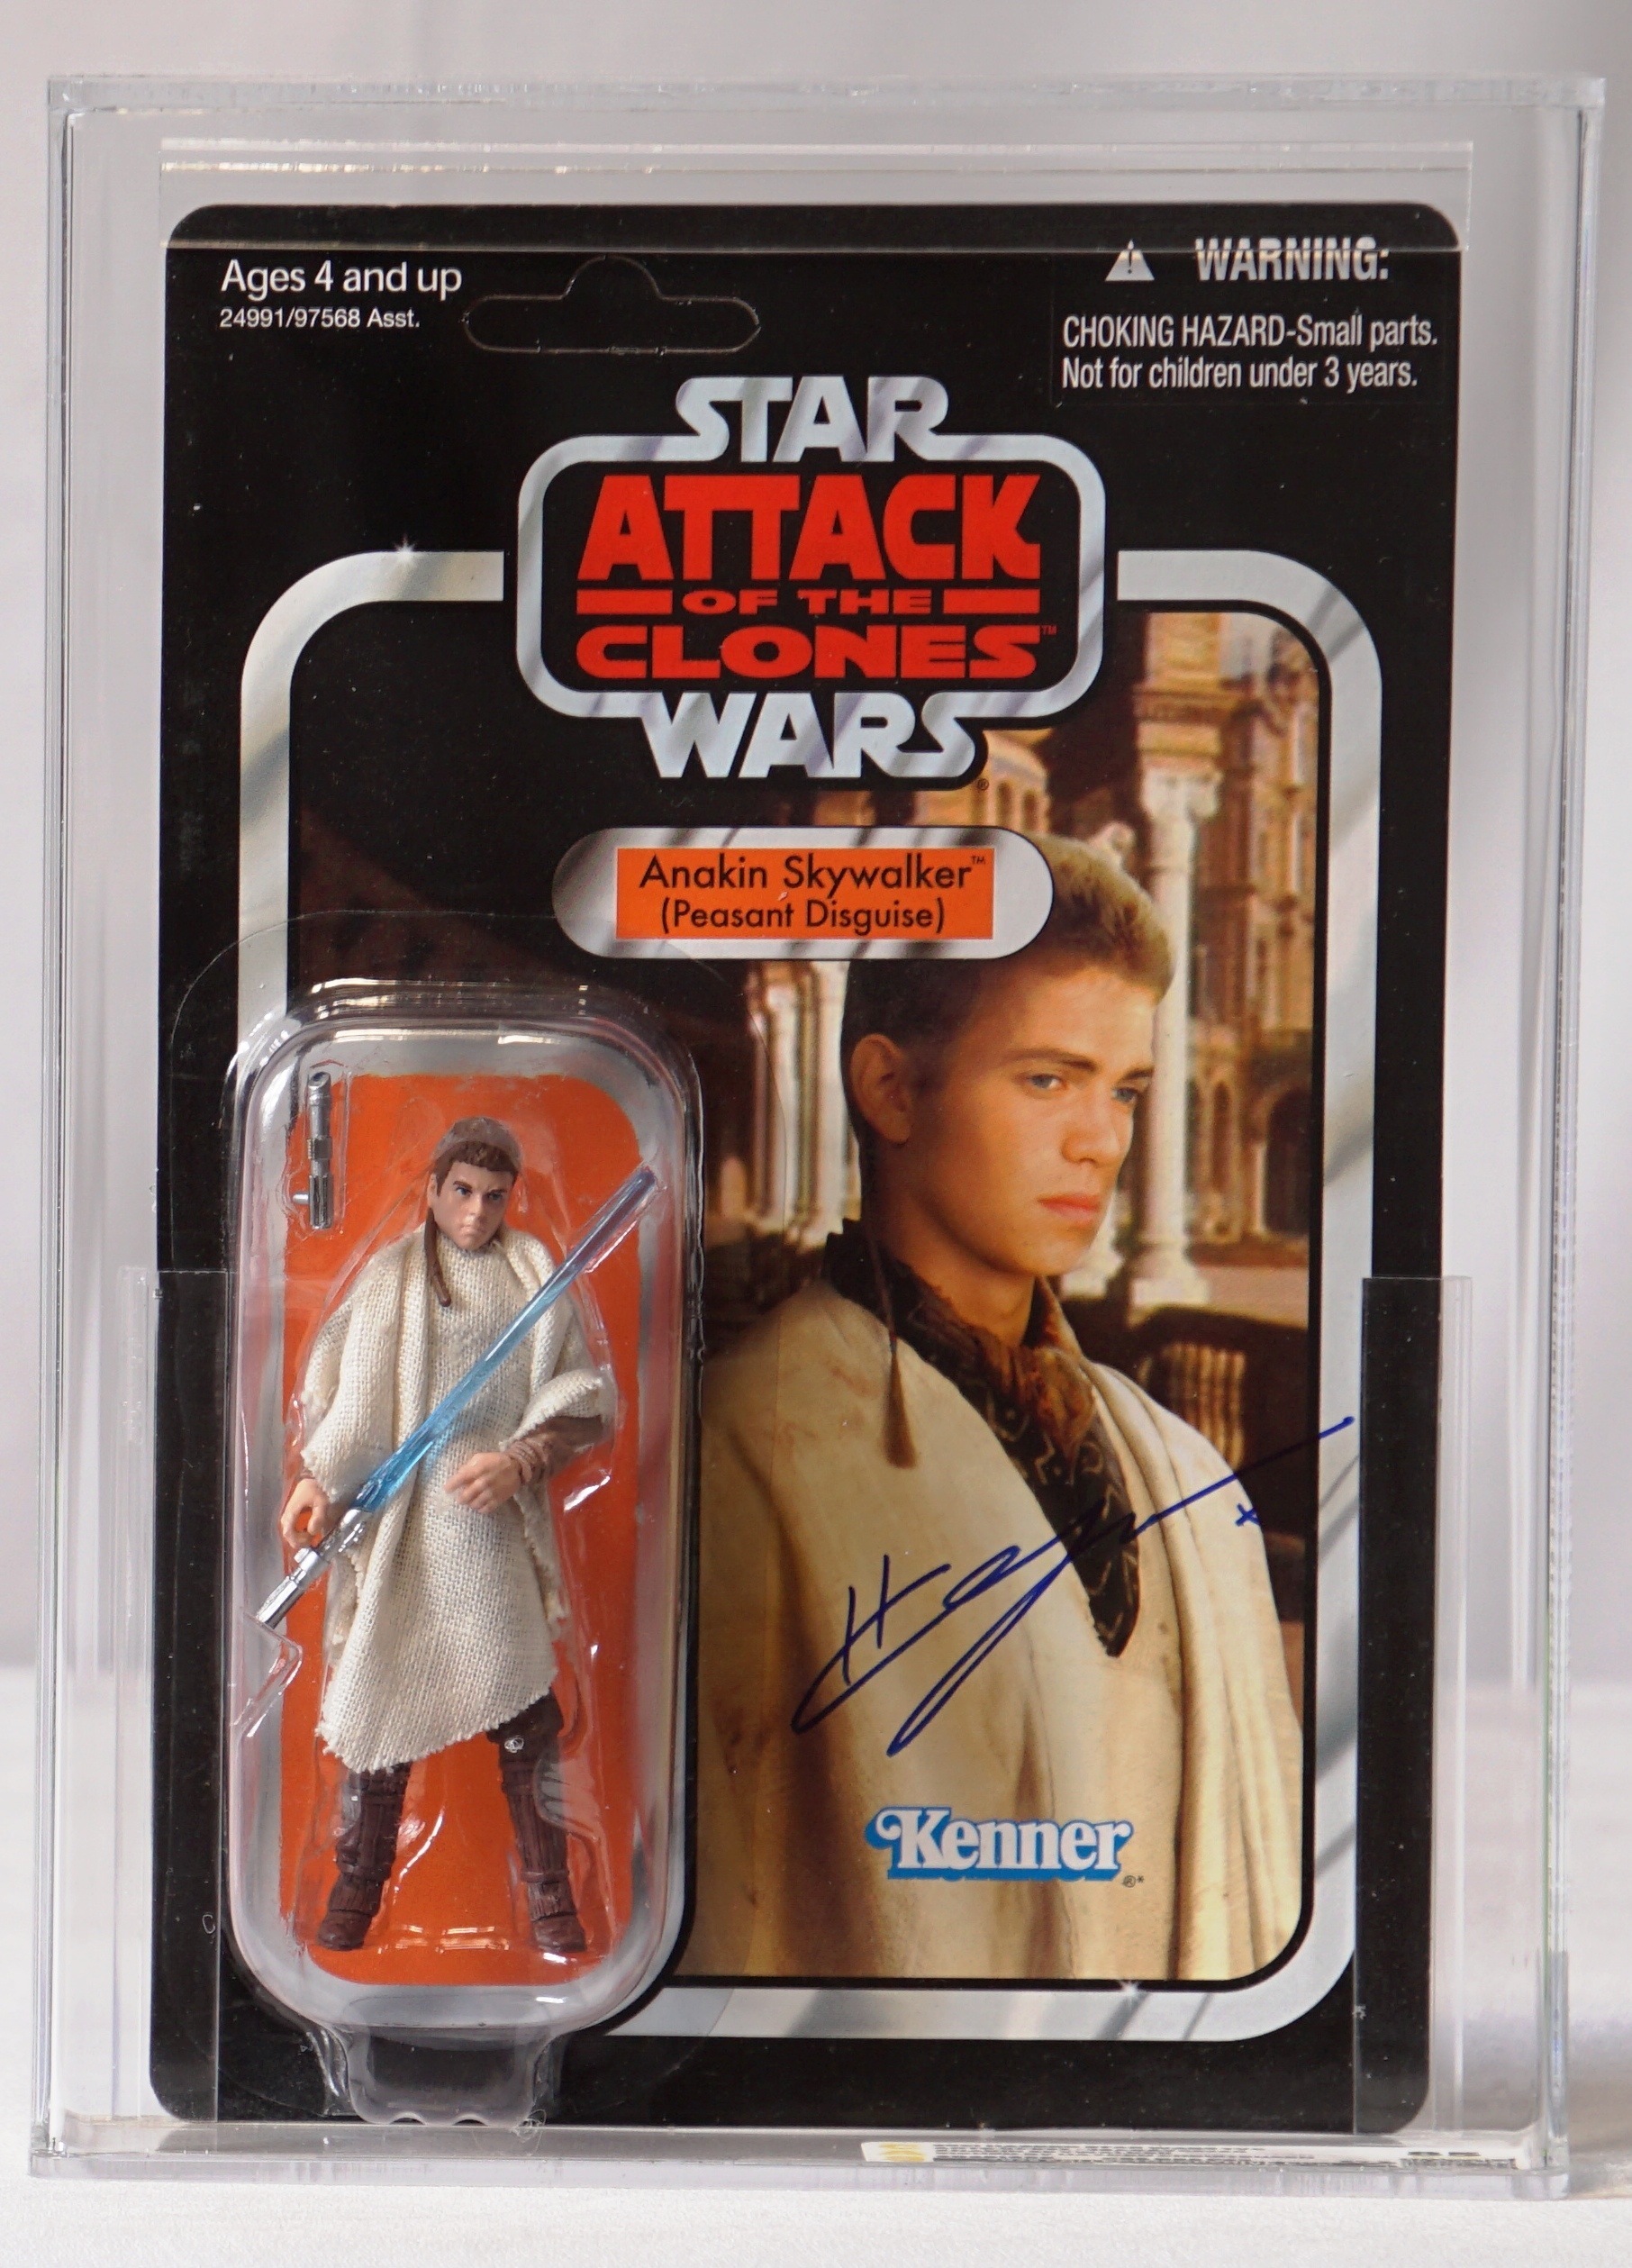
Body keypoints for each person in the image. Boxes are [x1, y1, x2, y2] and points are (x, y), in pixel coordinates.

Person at [685, 839, 1302, 1985]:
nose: (1103, 1140)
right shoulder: (739, 1446)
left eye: (1124, 1091)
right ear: (890, 1089)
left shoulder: (1174, 1459)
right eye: (1047, 1080)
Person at [278, 1117, 610, 1955]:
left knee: (525, 1711)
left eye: (494, 1197)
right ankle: (356, 1887)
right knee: (380, 1697)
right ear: (430, 1189)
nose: (475, 1212)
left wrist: (521, 1461)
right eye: (461, 1191)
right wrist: (318, 1479)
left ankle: (550, 1895)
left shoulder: (532, 1273)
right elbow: (350, 1396)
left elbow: (580, 1397)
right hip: (401, 1522)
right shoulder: (392, 1277)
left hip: (484, 1523)